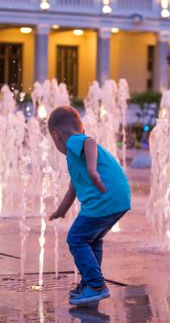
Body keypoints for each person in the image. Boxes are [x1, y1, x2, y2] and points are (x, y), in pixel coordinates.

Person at [47, 106, 131, 306]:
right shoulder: (75, 156)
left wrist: (93, 171)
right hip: (118, 198)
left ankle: (95, 285)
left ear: (56, 135)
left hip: (104, 199)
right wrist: (61, 211)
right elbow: (73, 187)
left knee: (76, 238)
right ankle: (89, 283)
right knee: (92, 240)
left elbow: (90, 142)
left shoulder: (75, 141)